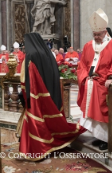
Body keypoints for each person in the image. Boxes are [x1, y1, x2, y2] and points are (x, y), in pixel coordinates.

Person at [16, 33, 86, 161]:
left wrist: (26, 96)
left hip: (36, 96)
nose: (25, 46)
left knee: (38, 122)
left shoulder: (31, 56)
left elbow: (26, 78)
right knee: (49, 119)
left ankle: (39, 148)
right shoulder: (47, 54)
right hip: (50, 93)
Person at [77, 8, 112, 150]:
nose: (96, 37)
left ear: (105, 32)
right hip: (90, 84)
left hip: (103, 85)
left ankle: (106, 138)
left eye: (99, 34)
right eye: (94, 34)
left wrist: (111, 76)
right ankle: (97, 135)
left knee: (103, 110)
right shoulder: (88, 46)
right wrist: (84, 77)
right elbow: (81, 66)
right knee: (90, 112)